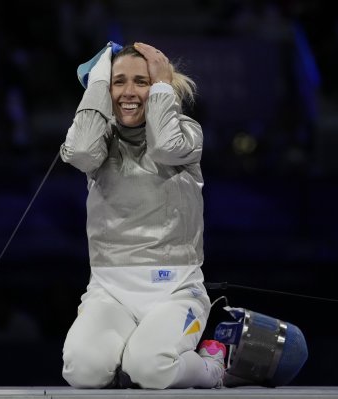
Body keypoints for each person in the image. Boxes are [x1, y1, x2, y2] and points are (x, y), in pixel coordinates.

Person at [59, 41, 225, 389]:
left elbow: (164, 147)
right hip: (110, 291)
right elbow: (83, 153)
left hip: (176, 290)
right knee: (81, 370)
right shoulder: (97, 138)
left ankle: (213, 366)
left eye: (142, 81)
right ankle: (126, 361)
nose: (129, 92)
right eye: (118, 81)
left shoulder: (187, 132)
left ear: (160, 86)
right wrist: (98, 81)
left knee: (152, 368)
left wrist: (164, 83)